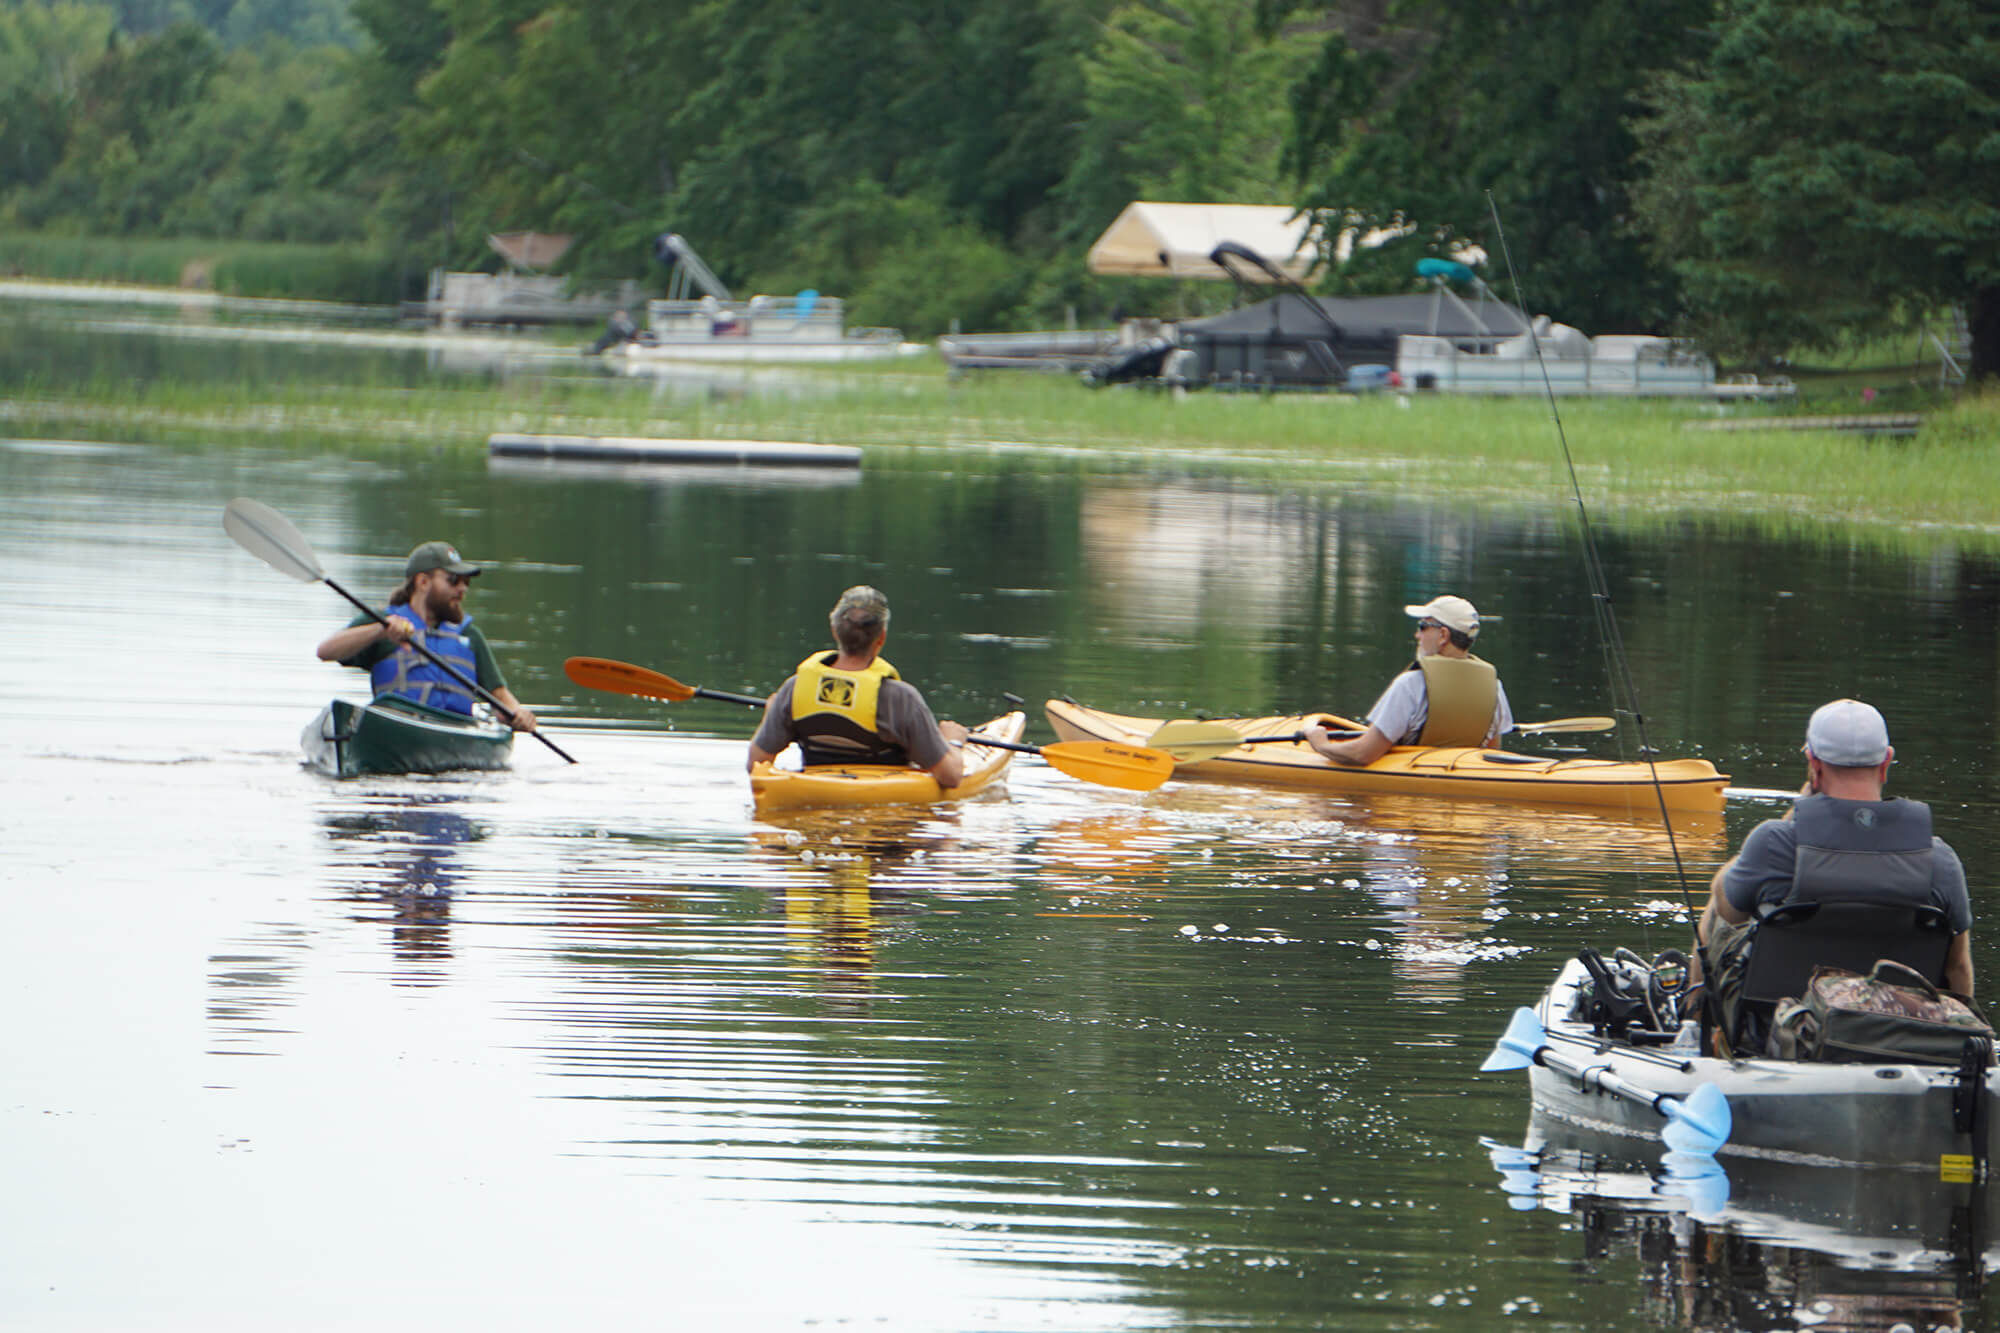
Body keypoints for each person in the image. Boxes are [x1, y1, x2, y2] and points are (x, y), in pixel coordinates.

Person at [1698, 699, 1974, 1035]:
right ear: (1886, 762)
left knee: (1716, 909)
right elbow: (1957, 967)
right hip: (1898, 1033)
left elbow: (1726, 913)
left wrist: (1795, 816)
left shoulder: (1774, 844)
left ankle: (1691, 1029)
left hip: (1782, 1035)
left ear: (1813, 764)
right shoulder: (1939, 859)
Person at [747, 585, 969, 785]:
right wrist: (953, 741)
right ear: (881, 637)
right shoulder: (902, 699)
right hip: (883, 809)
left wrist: (771, 715)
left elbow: (755, 764)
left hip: (815, 797)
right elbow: (950, 776)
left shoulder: (793, 689)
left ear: (834, 630)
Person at [314, 541, 539, 732]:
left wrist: (517, 712)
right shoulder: (383, 622)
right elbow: (325, 652)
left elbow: (499, 693)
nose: (463, 589)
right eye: (453, 580)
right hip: (398, 729)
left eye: (466, 582)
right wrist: (379, 631)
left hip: (456, 732)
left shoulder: (470, 636)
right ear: (422, 582)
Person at [1304, 595, 1513, 765]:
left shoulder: (1411, 684)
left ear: (1443, 635)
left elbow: (1363, 754)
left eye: (1423, 626)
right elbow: (1491, 755)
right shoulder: (1494, 687)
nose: (1417, 635)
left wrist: (1321, 744)